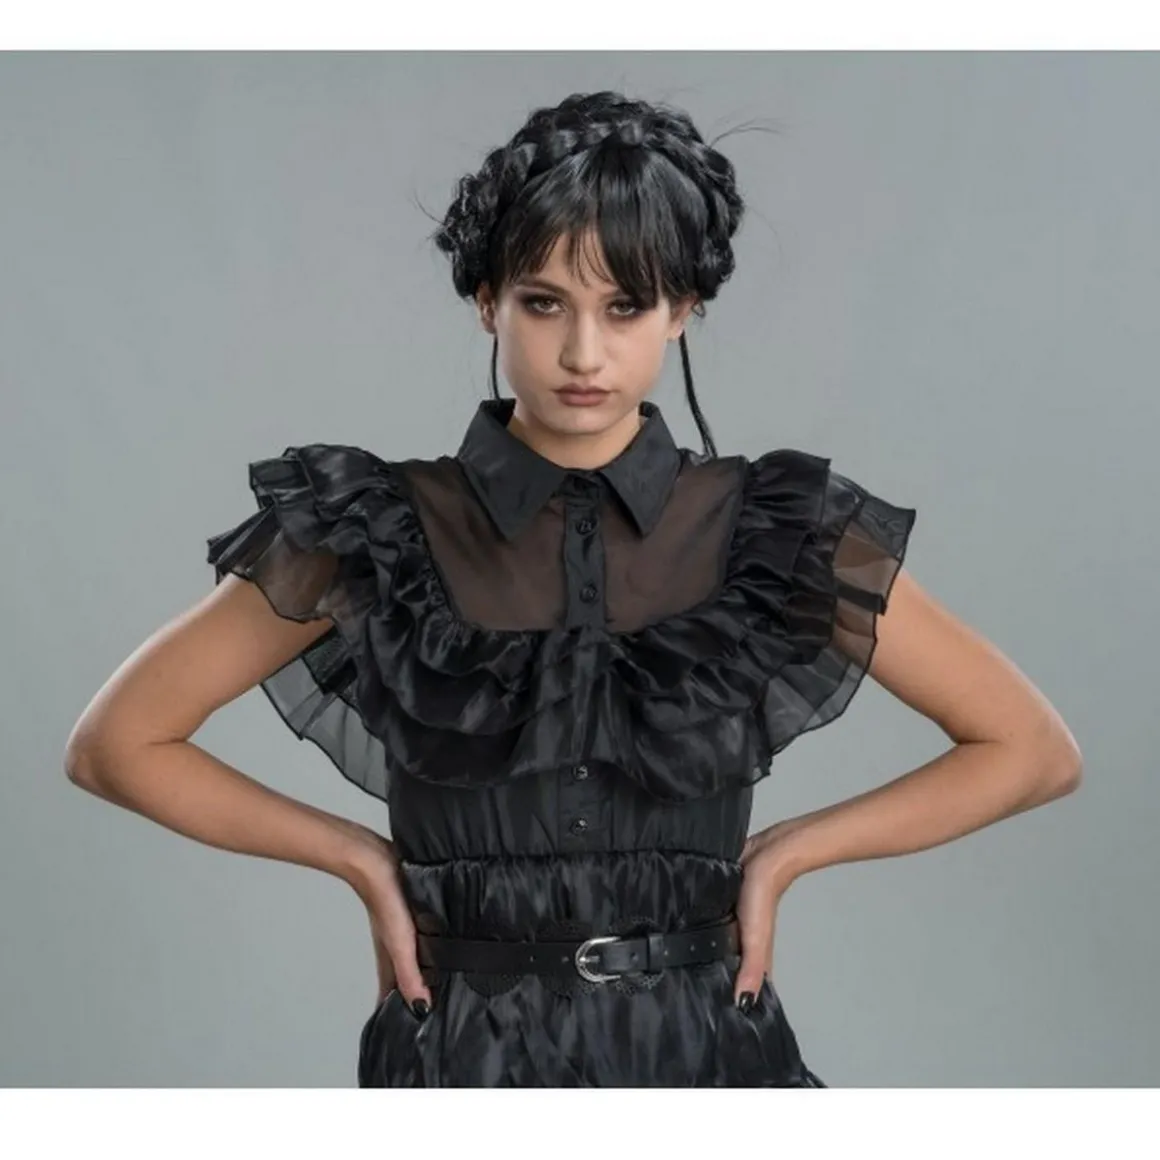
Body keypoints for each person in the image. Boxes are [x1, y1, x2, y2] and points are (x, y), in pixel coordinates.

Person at [63, 90, 1083, 1088]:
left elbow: (1029, 749)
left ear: (682, 310)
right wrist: (356, 857)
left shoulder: (774, 530)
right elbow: (117, 742)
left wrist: (788, 852)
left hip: (705, 1059)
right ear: (486, 301)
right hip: (459, 1059)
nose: (583, 353)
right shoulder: (377, 529)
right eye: (543, 302)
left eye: (624, 305)